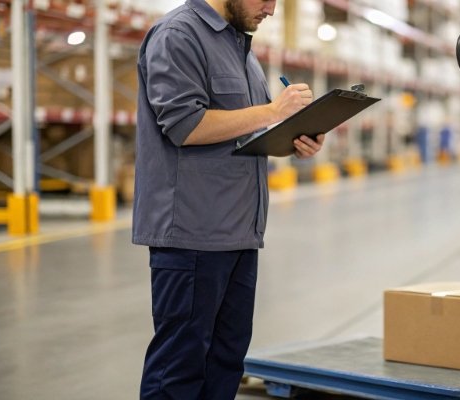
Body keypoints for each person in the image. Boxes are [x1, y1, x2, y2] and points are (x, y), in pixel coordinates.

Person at [132, 0, 325, 398]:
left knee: (225, 361)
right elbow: (185, 125)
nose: (271, 10)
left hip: (239, 232)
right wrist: (272, 111)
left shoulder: (239, 46)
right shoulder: (178, 35)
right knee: (180, 367)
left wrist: (292, 141)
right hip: (191, 233)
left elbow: (240, 134)